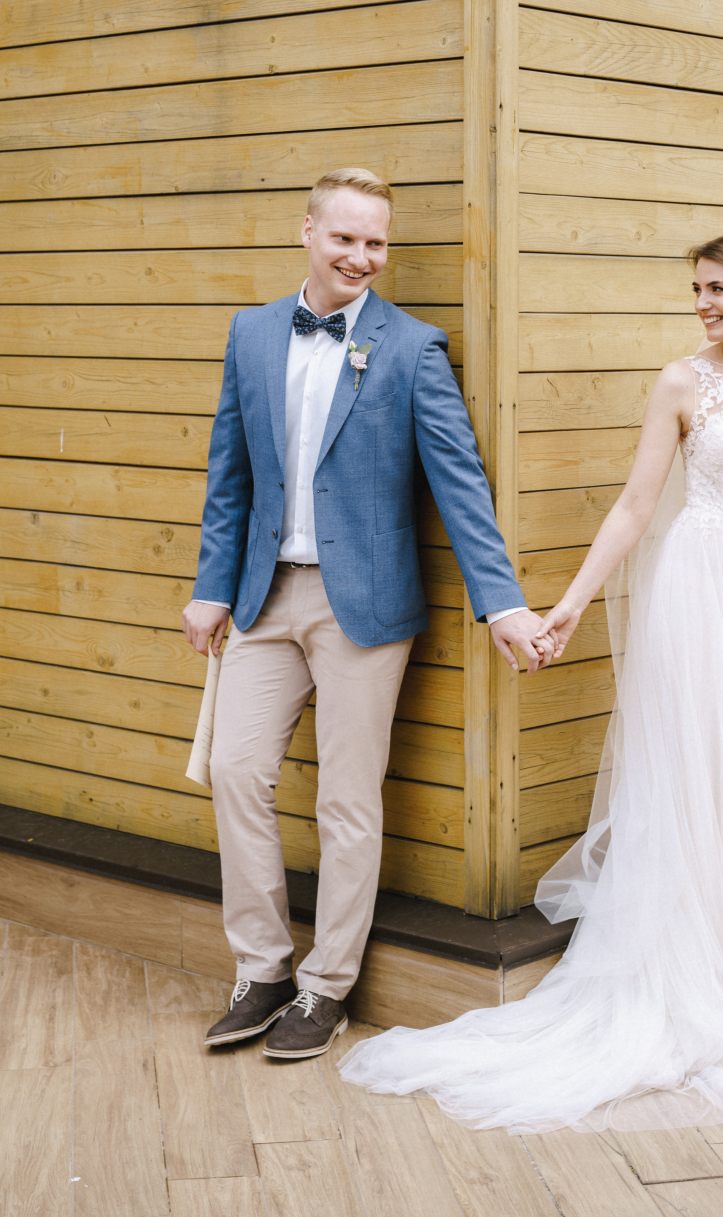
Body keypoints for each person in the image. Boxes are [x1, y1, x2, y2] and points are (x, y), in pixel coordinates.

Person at [338, 227, 723, 1131]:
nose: (700, 303)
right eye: (696, 288)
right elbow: (634, 505)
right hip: (697, 592)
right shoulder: (681, 382)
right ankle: (689, 969)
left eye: (715, 288)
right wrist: (572, 603)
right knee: (696, 771)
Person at [183, 168, 552, 1060]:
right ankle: (263, 967)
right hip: (264, 595)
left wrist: (502, 603)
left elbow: (460, 486)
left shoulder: (414, 348)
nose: (361, 256)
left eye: (376, 242)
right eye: (345, 237)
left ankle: (326, 985)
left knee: (347, 798)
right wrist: (211, 585)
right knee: (234, 770)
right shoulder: (252, 333)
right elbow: (230, 473)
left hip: (365, 608)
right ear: (308, 231)